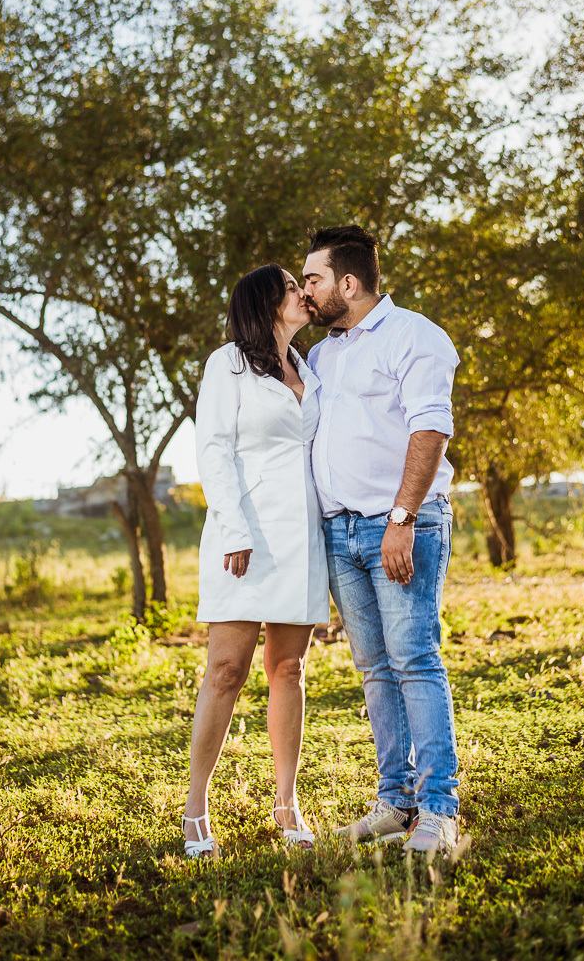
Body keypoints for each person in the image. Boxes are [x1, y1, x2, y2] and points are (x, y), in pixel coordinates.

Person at [303, 225, 460, 855]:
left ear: (348, 282)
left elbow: (430, 430)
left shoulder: (414, 336)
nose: (305, 291)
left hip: (399, 525)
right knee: (373, 669)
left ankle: (440, 811)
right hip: (340, 532)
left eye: (312, 279)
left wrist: (401, 518)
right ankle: (395, 803)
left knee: (414, 660)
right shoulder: (320, 356)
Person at [182, 263, 329, 858]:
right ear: (267, 303)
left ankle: (287, 803)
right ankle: (196, 809)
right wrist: (233, 531)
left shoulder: (311, 368)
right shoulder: (228, 365)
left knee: (288, 669)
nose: (304, 293)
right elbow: (212, 451)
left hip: (303, 538)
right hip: (243, 536)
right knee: (226, 670)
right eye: (293, 287)